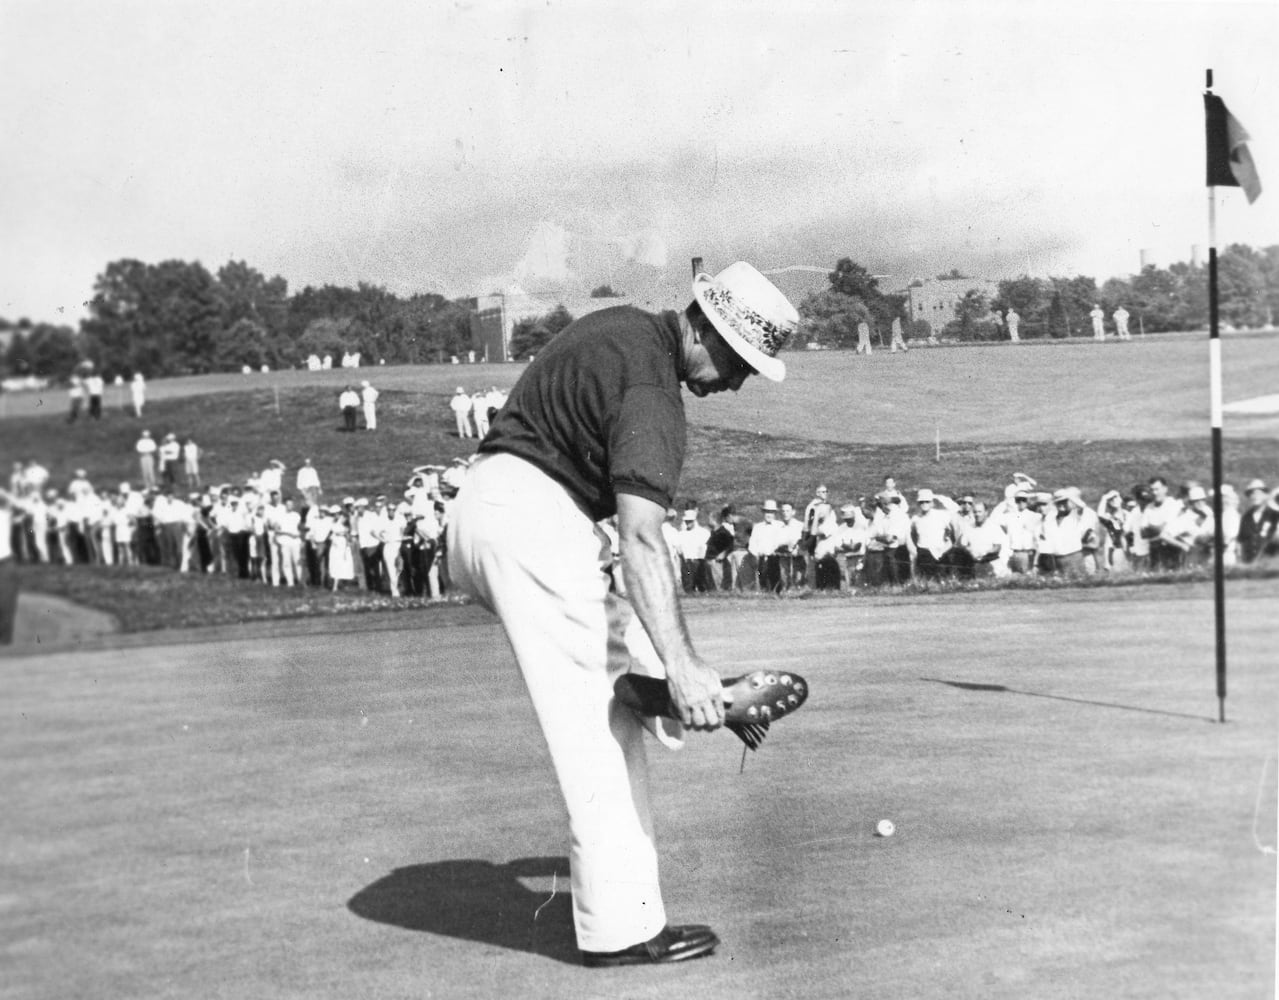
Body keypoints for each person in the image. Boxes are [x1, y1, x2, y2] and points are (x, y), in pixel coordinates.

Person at [446, 260, 796, 967]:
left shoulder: (622, 327)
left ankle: (655, 690)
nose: (737, 382)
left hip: (488, 512)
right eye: (740, 362)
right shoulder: (653, 394)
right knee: (596, 727)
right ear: (705, 330)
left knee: (615, 650)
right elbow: (640, 537)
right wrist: (687, 661)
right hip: (532, 523)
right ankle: (622, 928)